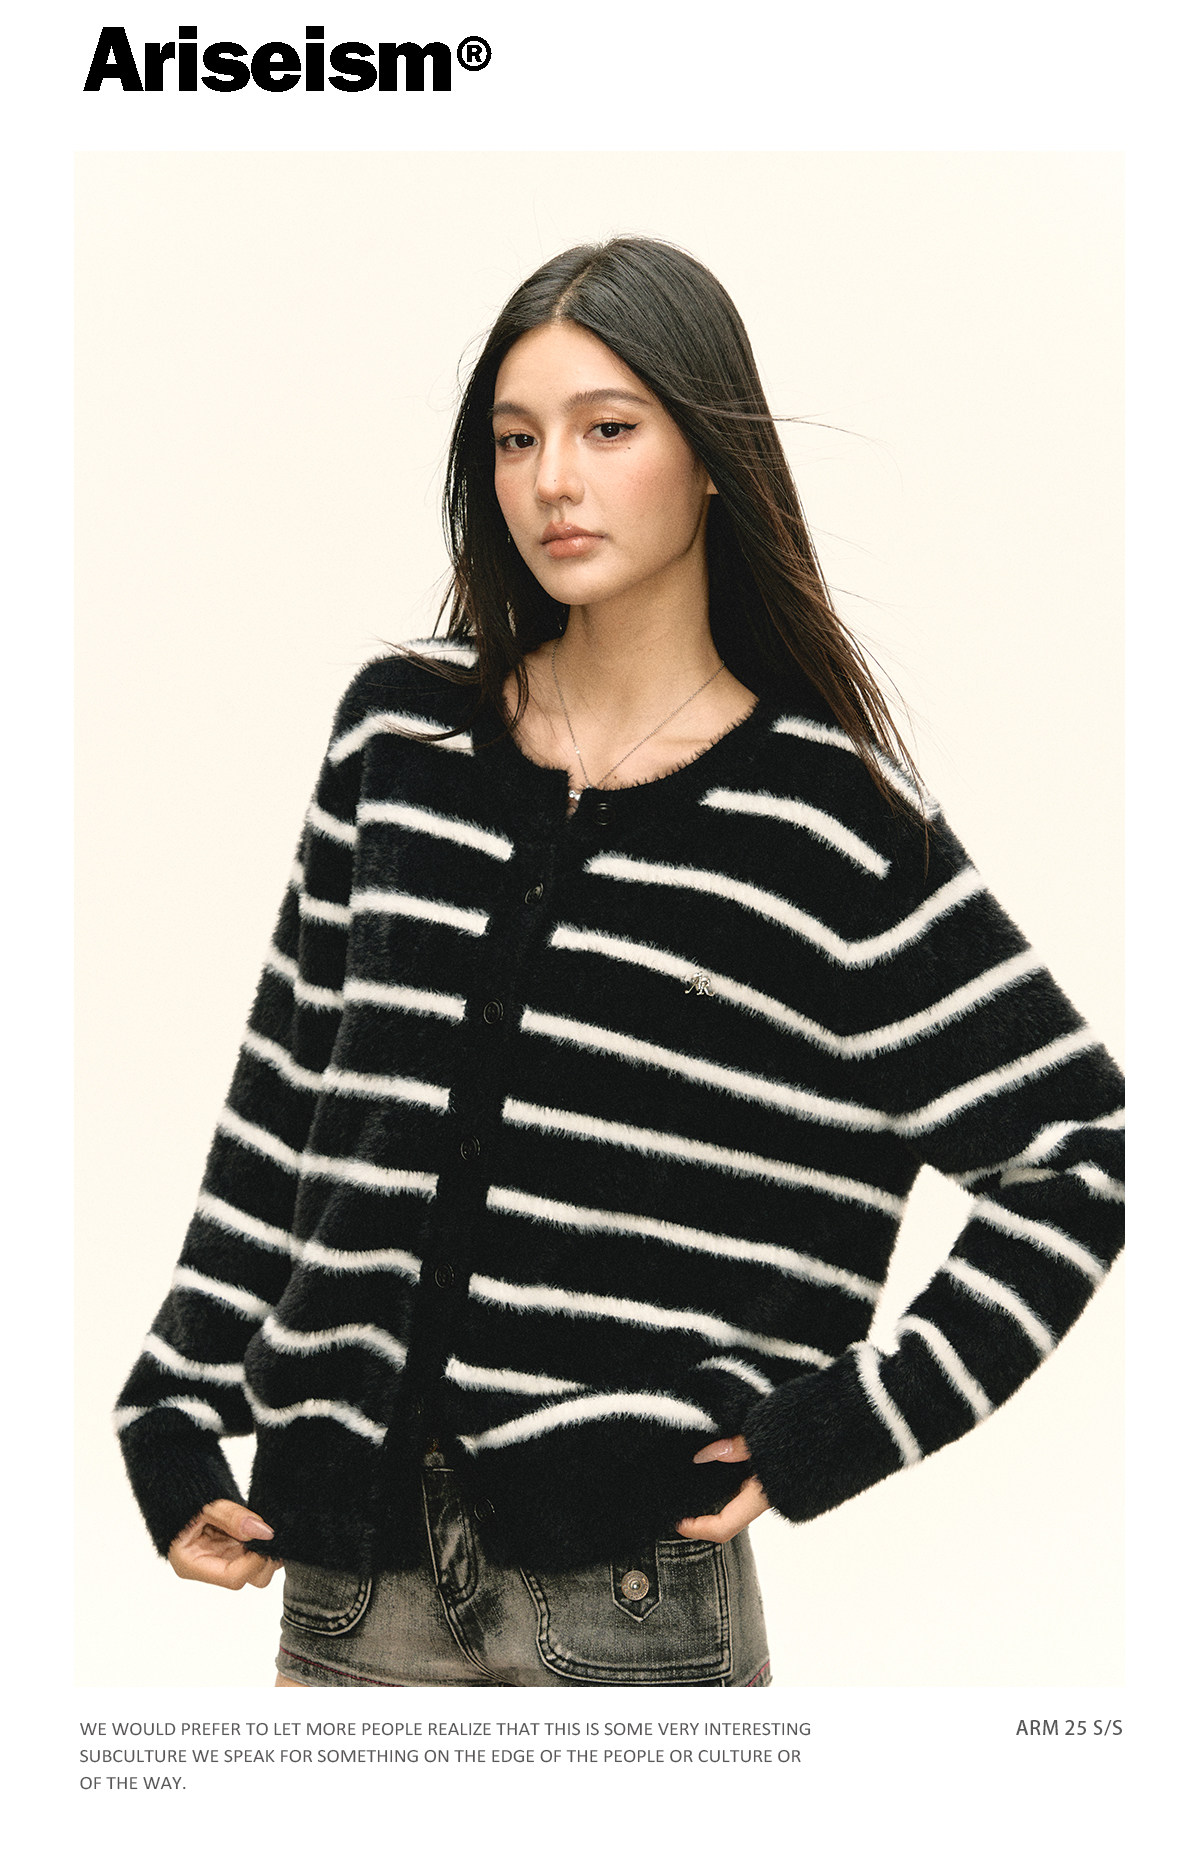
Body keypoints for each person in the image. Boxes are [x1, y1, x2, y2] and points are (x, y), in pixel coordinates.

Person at [115, 236, 1124, 1688]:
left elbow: (1082, 1153)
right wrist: (171, 1409)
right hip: (347, 1594)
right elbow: (289, 1098)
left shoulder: (825, 821)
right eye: (516, 438)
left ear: (708, 458)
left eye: (607, 429)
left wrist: (837, 1427)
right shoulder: (401, 738)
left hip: (632, 1613)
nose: (552, 482)